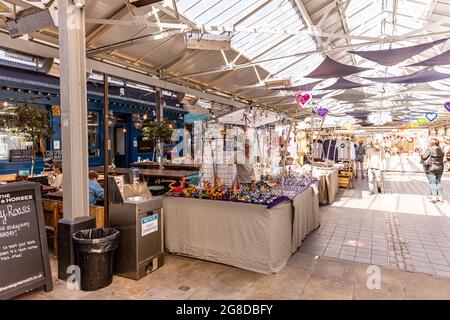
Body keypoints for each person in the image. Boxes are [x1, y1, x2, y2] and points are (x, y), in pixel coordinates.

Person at [421, 138, 444, 203]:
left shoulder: (429, 149)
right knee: (438, 182)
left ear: (431, 143)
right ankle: (440, 197)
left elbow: (424, 157)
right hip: (440, 167)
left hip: (431, 168)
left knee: (432, 182)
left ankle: (434, 197)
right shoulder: (441, 149)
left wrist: (422, 154)